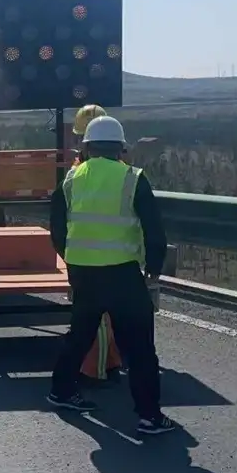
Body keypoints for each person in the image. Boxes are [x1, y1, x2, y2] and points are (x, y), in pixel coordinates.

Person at [47, 115, 177, 435]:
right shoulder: (132, 178)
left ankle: (61, 391)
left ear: (86, 147)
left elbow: (57, 229)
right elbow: (154, 229)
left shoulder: (71, 179)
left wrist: (72, 259)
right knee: (139, 346)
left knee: (80, 334)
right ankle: (149, 416)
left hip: (83, 272)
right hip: (122, 274)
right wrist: (153, 268)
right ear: (121, 148)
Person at [67, 105, 124, 383]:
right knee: (110, 317)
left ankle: (96, 371)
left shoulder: (77, 173)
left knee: (96, 319)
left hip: (87, 258)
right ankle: (109, 363)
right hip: (121, 256)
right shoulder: (126, 172)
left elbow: (64, 215)